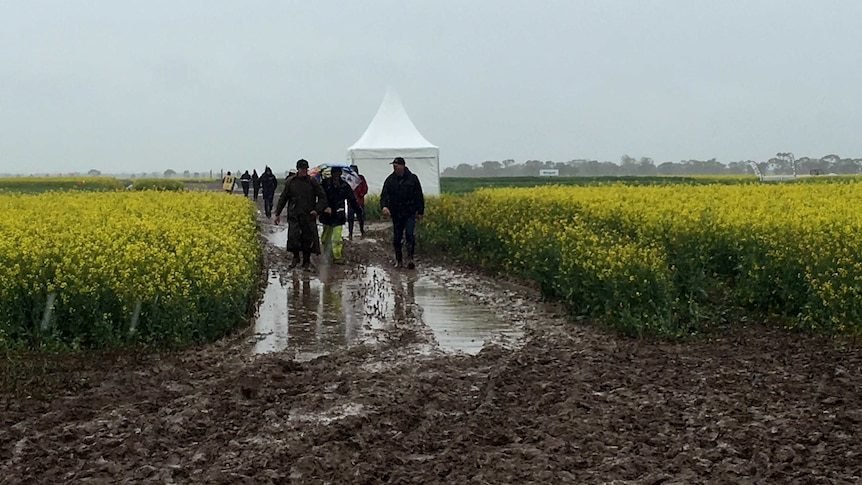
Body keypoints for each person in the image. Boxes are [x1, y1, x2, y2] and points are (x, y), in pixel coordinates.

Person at [274, 159, 328, 270]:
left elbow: (323, 197)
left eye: (305, 169)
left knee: (307, 240)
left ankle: (306, 261)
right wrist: (277, 214)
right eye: (302, 169)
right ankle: (296, 257)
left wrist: (316, 210)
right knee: (294, 238)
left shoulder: (312, 182)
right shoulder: (291, 182)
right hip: (294, 215)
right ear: (298, 169)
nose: (304, 171)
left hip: (308, 215)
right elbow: (283, 198)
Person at [380, 156, 424, 269]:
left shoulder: (413, 178)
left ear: (402, 166)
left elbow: (419, 195)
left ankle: (410, 258)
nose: (394, 167)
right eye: (393, 166)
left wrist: (420, 211)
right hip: (396, 213)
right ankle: (399, 260)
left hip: (409, 212)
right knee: (397, 238)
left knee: (409, 234)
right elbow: (384, 195)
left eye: (396, 165)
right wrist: (384, 206)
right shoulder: (390, 180)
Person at [320, 166, 362, 264]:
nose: (336, 175)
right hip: (326, 214)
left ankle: (337, 256)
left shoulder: (344, 185)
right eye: (335, 173)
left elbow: (352, 199)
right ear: (332, 173)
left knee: (337, 237)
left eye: (338, 173)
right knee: (325, 237)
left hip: (339, 214)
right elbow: (320, 196)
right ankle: (327, 253)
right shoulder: (325, 184)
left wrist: (358, 211)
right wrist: (325, 207)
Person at [348, 164, 368, 239]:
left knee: (361, 217)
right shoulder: (348, 179)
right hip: (350, 202)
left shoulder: (361, 178)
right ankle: (350, 233)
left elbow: (365, 188)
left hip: (359, 201)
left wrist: (361, 194)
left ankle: (362, 230)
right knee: (350, 218)